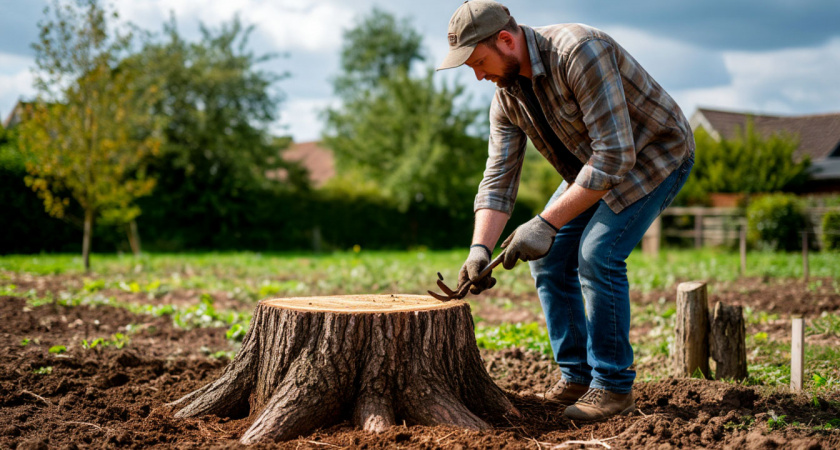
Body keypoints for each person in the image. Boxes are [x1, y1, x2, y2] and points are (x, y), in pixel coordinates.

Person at [437, 0, 695, 421]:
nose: (478, 75)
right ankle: (577, 377)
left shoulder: (578, 51)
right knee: (551, 261)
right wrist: (479, 249)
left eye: (479, 61)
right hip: (591, 166)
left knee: (598, 254)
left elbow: (614, 156)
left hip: (654, 154)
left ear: (506, 40)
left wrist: (544, 222)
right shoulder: (507, 97)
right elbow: (499, 179)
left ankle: (613, 389)